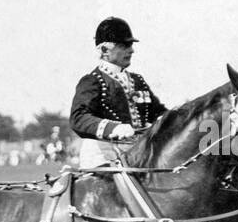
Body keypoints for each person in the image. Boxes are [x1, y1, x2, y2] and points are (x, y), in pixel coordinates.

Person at [69, 17, 167, 170]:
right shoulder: (92, 80)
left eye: (131, 45)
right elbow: (78, 118)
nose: (132, 50)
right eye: (124, 45)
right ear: (104, 50)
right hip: (103, 158)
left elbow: (159, 113)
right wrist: (112, 128)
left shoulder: (137, 80)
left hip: (138, 156)